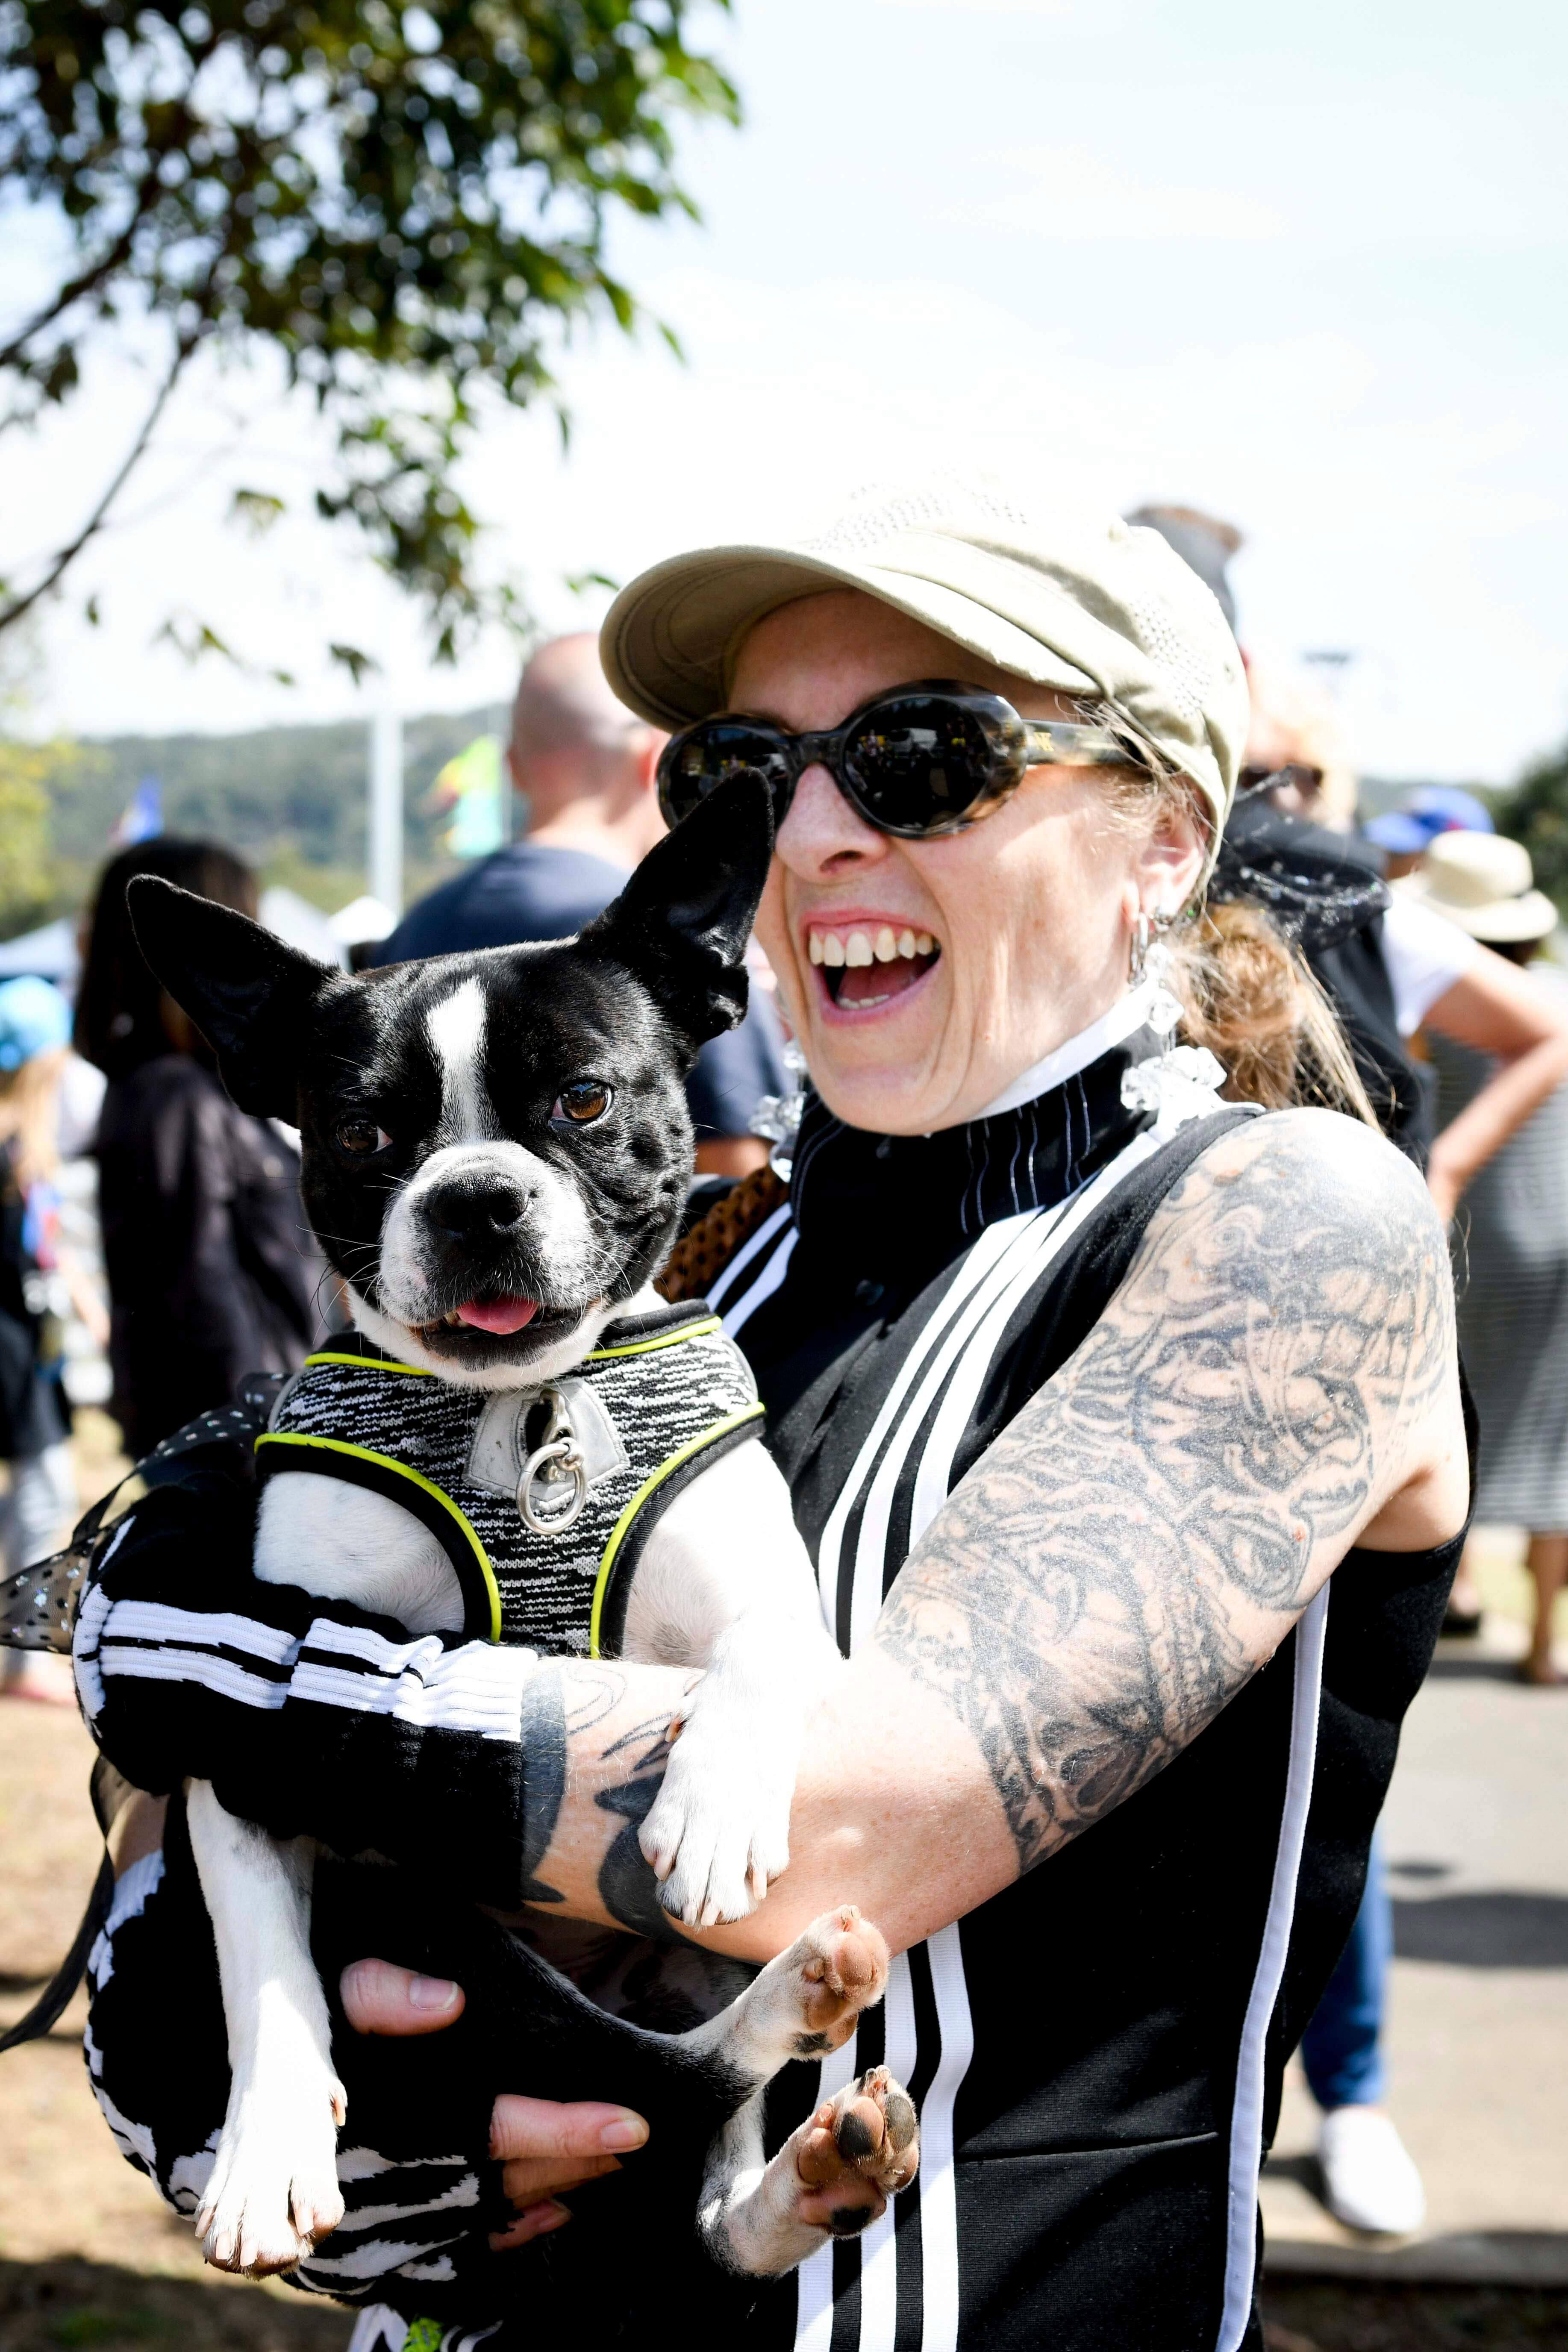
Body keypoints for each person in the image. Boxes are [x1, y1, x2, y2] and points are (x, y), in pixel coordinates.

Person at [72, 483, 1471, 2352]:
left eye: (920, 753)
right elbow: (209, 1759)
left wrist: (248, 1679)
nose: (806, 831)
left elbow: (850, 1831)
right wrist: (172, 1970)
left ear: (1164, 836)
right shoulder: (690, 1267)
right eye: (739, 765)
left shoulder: (1287, 1228)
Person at [376, 633, 789, 1176]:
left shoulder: (413, 933)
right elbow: (740, 1179)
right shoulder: (665, 941)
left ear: (514, 768)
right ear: (651, 762)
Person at [75, 839, 322, 1455]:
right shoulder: (173, 1096)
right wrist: (262, 1440)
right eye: (244, 924)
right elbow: (197, 1294)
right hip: (241, 1445)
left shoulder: (183, 1089)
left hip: (252, 1427)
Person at [1410, 833, 1568, 1684]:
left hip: (1474, 1239)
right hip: (1564, 1236)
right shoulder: (1557, 995)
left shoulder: (1449, 1014)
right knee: (1556, 1442)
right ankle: (1545, 1641)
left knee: (1454, 1424)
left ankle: (1445, 1603)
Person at [0, 977, 82, 1701]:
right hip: (12, 1355)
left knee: (41, 1486)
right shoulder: (9, 1149)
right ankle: (27, 1659)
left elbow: (45, 1251)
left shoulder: (27, 1147)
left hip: (29, 1347)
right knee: (44, 1485)